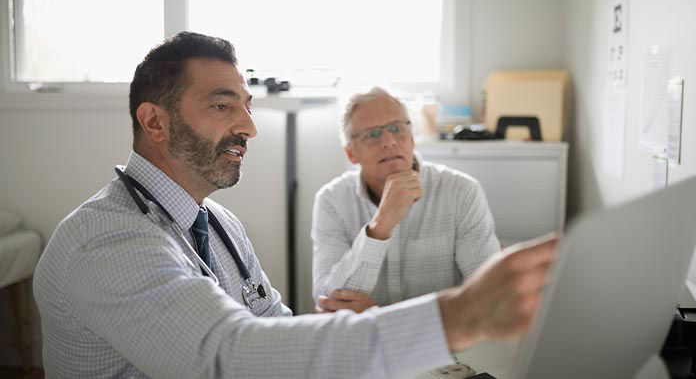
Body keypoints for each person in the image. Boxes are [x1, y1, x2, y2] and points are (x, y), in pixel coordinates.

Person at [34, 32, 558, 378]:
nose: (249, 127)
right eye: (222, 105)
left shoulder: (218, 224)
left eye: (246, 106)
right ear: (154, 122)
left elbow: (276, 326)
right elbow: (229, 356)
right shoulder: (107, 238)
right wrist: (456, 317)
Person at [312, 87, 500, 313]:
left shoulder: (461, 192)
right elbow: (328, 300)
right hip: (362, 345)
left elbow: (490, 296)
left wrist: (381, 317)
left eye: (396, 128)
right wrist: (380, 226)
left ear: (411, 138)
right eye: (372, 134)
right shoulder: (331, 201)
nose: (389, 141)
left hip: (438, 345)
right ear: (351, 153)